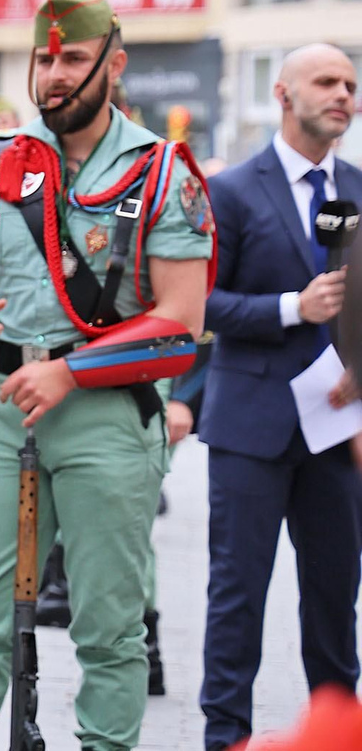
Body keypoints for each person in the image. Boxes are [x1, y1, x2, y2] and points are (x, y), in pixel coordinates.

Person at [0, 0, 214, 751]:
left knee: (108, 628)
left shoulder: (161, 171)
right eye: (44, 59)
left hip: (108, 415)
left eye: (73, 59)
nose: (53, 75)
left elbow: (181, 322)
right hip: (2, 408)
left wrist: (71, 371)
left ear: (113, 65)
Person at [198, 43, 362, 751]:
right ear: (283, 94)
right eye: (327, 81)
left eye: (350, 84)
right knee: (238, 595)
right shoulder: (233, 190)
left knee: (335, 598)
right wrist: (294, 307)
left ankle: (339, 731)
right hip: (250, 426)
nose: (344, 95)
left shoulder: (356, 188)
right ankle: (224, 737)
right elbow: (201, 303)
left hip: (338, 428)